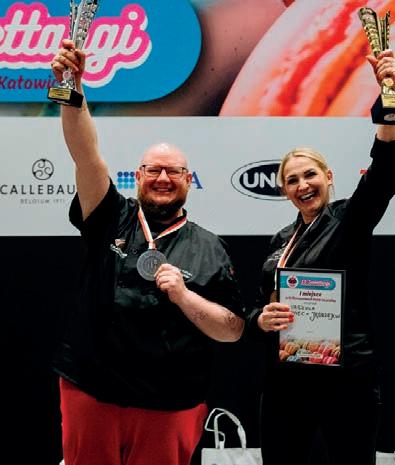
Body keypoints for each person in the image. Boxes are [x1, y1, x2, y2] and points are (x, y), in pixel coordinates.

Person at [49, 40, 245, 465]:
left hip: (169, 402)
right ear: (137, 177)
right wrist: (73, 89)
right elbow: (86, 156)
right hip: (92, 389)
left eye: (173, 171)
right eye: (153, 170)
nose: (162, 178)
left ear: (188, 180)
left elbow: (232, 330)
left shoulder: (209, 246)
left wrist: (185, 297)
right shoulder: (109, 215)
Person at [245, 49, 395, 465]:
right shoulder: (281, 240)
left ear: (328, 177)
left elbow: (385, 175)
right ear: (284, 191)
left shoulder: (349, 219)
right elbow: (261, 304)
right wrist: (260, 319)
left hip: (346, 378)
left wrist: (389, 100)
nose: (303, 185)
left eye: (310, 175)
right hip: (287, 379)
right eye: (292, 180)